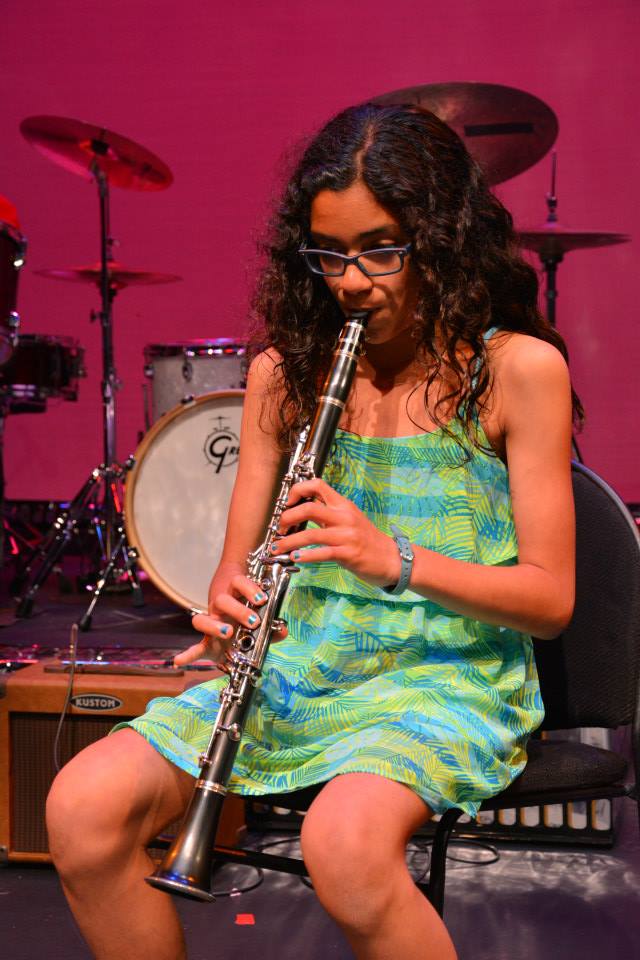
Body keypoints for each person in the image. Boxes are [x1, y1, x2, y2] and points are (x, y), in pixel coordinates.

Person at [46, 103, 579, 960]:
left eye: (381, 250)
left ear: (442, 237)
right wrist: (227, 611)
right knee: (81, 810)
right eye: (328, 254)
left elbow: (551, 602)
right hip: (304, 669)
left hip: (445, 679)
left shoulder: (517, 371)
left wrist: (390, 557)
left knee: (346, 846)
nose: (351, 281)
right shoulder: (283, 375)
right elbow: (233, 576)